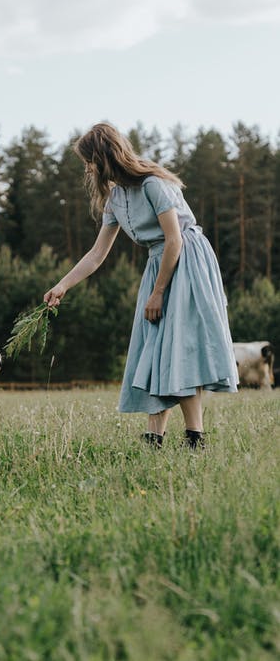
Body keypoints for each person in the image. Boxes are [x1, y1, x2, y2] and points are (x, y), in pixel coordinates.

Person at [44, 122, 238, 448]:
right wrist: (63, 285)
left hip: (185, 260)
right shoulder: (116, 198)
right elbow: (96, 254)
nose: (87, 168)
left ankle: (193, 438)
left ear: (103, 156)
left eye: (88, 160)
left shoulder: (152, 185)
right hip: (158, 263)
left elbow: (175, 239)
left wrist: (158, 292)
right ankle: (157, 438)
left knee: (179, 347)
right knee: (156, 349)